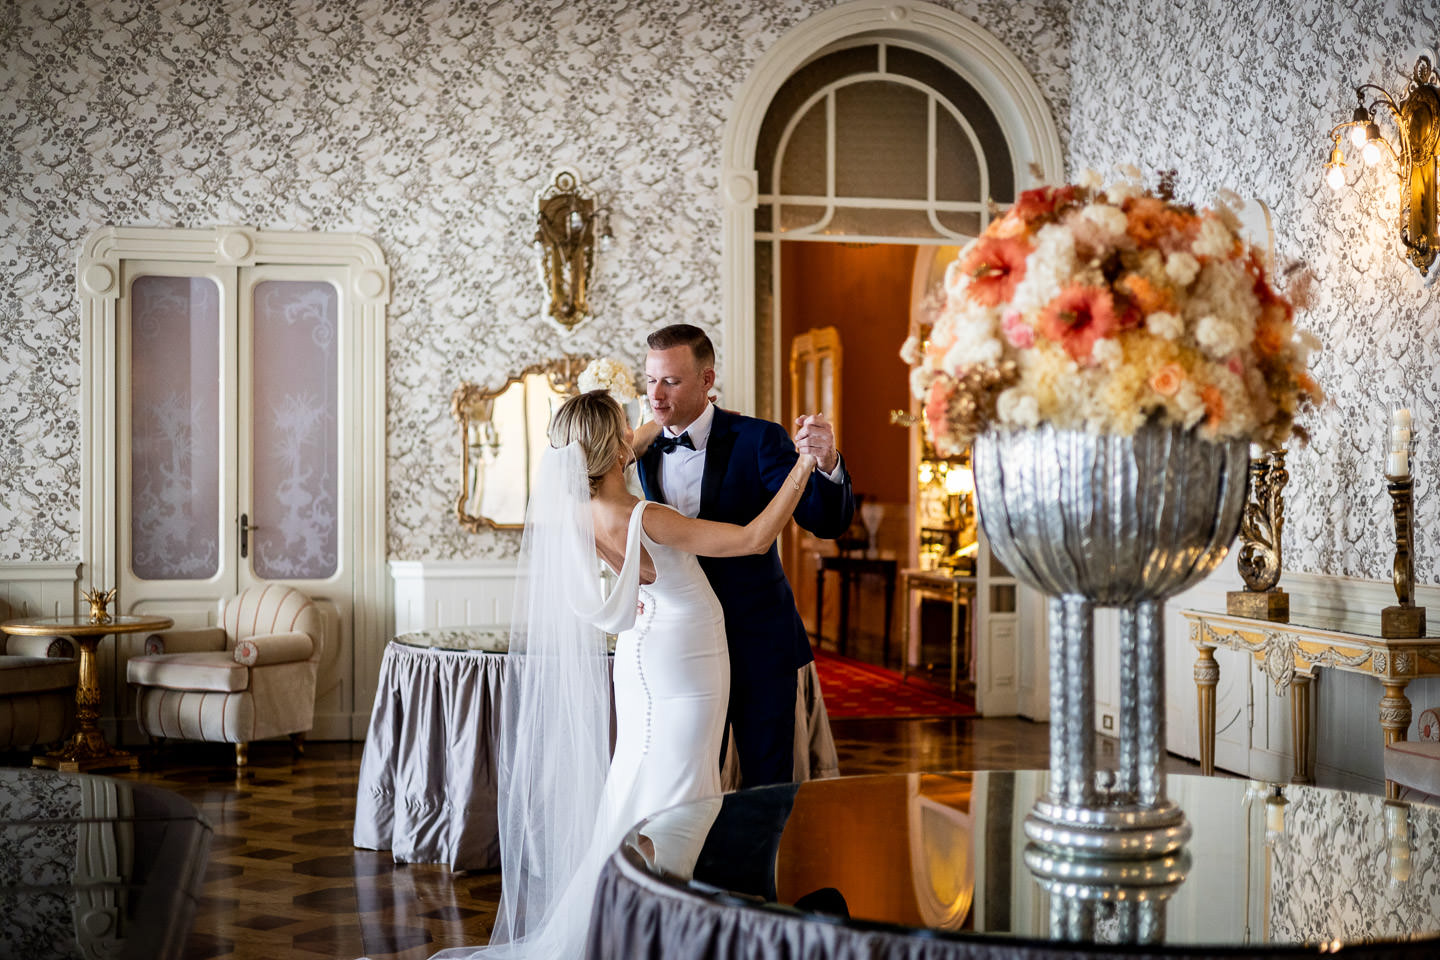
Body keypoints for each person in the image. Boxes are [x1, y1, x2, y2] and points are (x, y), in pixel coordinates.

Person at [437, 390, 817, 959]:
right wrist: (804, 465)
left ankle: (626, 916)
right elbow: (753, 538)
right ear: (614, 449)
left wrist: (647, 418)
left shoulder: (576, 509)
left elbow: (621, 477)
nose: (634, 437)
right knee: (684, 790)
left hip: (640, 656)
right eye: (624, 432)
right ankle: (657, 932)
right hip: (686, 662)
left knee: (636, 779)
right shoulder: (649, 517)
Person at [637, 323, 855, 788]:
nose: (656, 395)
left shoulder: (758, 439)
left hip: (757, 637)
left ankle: (763, 862)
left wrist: (829, 463)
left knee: (766, 777)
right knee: (689, 776)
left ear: (706, 380)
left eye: (671, 381)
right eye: (651, 379)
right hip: (681, 642)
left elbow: (824, 521)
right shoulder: (640, 448)